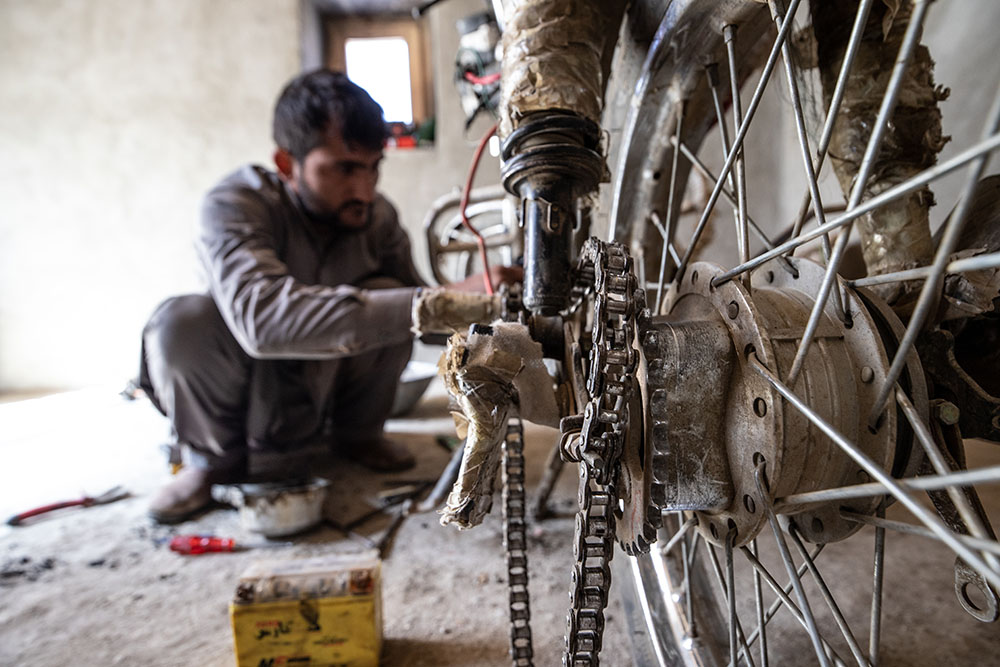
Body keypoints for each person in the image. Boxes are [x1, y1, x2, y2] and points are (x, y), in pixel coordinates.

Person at [139, 69, 519, 524]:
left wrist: (497, 311)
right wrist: (435, 300)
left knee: (391, 299)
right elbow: (263, 323)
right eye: (343, 169)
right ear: (286, 163)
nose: (364, 188)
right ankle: (208, 461)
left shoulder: (376, 218)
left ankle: (357, 435)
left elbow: (425, 320)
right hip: (249, 379)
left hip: (329, 386)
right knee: (180, 323)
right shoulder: (236, 203)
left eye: (374, 167)